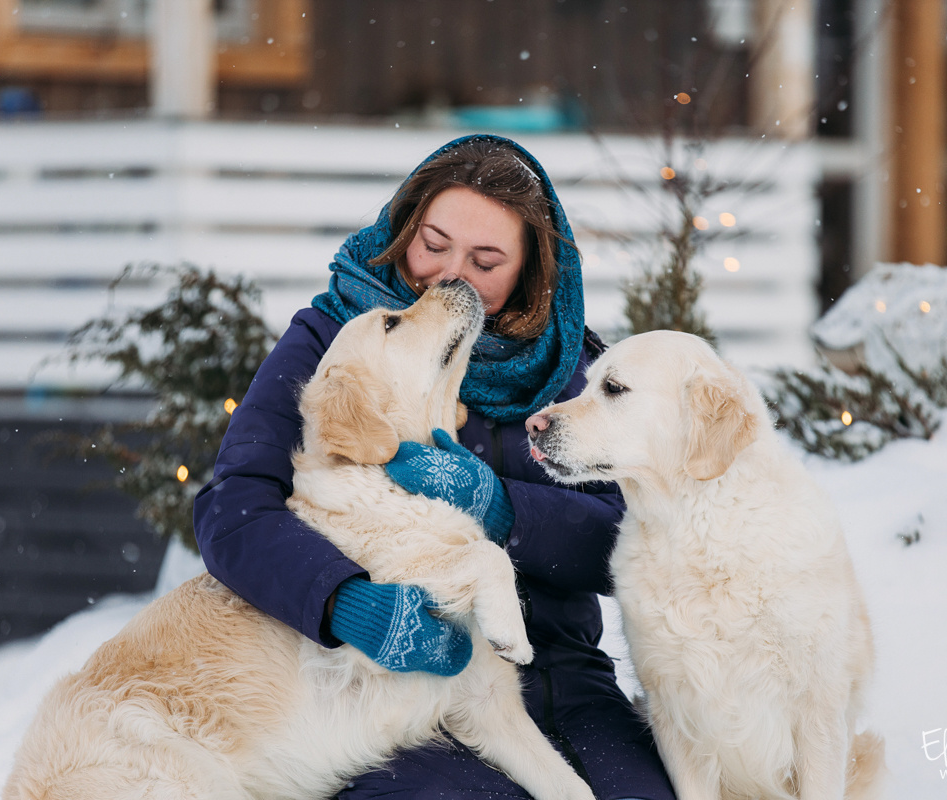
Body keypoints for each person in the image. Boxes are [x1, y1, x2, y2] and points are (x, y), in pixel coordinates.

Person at [194, 134, 675, 800]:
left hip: (563, 680)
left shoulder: (574, 372)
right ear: (402, 230)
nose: (451, 275)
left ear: (529, 269)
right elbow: (234, 511)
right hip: (397, 686)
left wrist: (501, 508)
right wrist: (343, 603)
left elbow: (633, 541)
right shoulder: (334, 338)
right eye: (433, 243)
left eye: (486, 259)